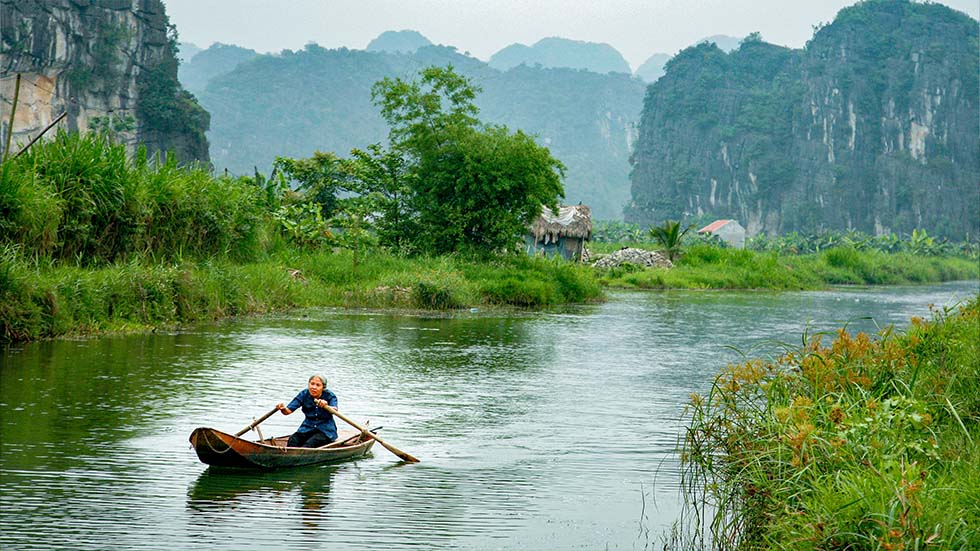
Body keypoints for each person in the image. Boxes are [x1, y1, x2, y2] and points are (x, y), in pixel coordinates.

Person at [277, 374, 338, 448]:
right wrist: (283, 409)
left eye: (318, 385)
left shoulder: (330, 396)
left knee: (310, 444)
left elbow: (334, 410)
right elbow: (288, 411)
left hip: (325, 431)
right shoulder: (303, 394)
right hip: (307, 428)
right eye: (312, 384)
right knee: (293, 440)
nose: (314, 387)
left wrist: (326, 405)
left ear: (323, 388)